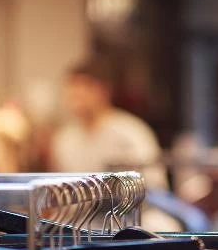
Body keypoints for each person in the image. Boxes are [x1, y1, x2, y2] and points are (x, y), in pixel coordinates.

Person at [49, 57, 168, 190]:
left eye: (84, 87)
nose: (76, 95)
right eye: (72, 88)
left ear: (104, 90)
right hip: (81, 210)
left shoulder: (131, 132)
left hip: (129, 209)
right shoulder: (65, 138)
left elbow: (156, 185)